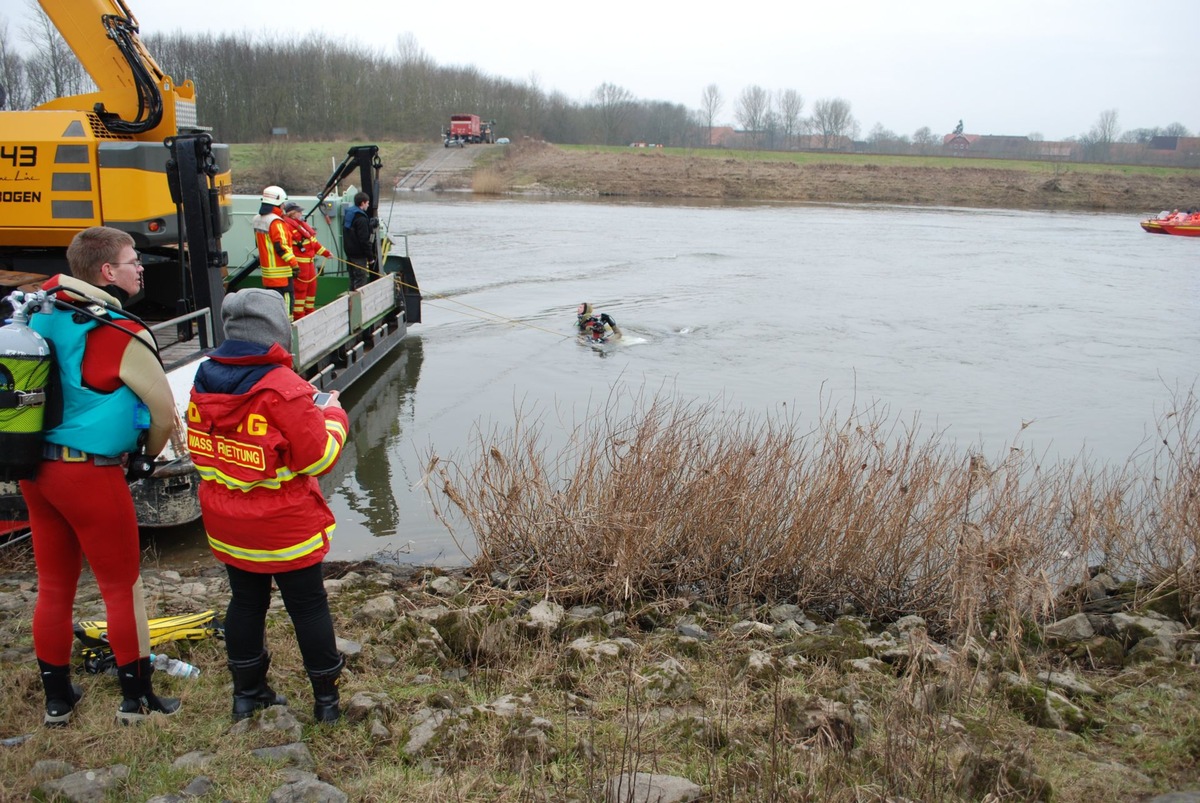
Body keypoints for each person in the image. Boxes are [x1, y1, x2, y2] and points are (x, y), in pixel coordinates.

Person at [19, 226, 180, 726]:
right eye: (134, 261)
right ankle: (137, 700)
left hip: (34, 469)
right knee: (120, 586)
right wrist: (146, 458)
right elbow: (161, 411)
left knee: (53, 585)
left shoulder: (35, 318)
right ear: (107, 271)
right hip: (88, 474)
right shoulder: (118, 331)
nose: (140, 269)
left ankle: (58, 700)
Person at [188, 288, 350, 723]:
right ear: (277, 331)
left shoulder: (202, 379)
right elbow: (319, 458)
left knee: (245, 602)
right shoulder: (285, 388)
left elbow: (203, 450)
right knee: (309, 606)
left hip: (228, 524)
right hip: (284, 529)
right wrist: (333, 415)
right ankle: (327, 703)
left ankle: (248, 694)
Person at [252, 186, 299, 318]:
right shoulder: (276, 222)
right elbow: (282, 247)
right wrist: (294, 264)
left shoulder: (258, 220)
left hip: (268, 272)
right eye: (283, 203)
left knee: (272, 304)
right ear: (278, 202)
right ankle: (288, 329)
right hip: (281, 272)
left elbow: (259, 244)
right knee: (286, 303)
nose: (284, 206)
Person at [281, 201, 333, 320]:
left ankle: (309, 312)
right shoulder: (288, 226)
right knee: (300, 290)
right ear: (292, 213)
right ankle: (299, 316)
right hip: (300, 263)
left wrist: (326, 253)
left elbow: (312, 243)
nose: (301, 213)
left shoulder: (300, 225)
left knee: (312, 287)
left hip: (309, 263)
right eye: (299, 211)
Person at [343, 191, 373, 291]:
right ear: (363, 203)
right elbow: (364, 240)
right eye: (367, 203)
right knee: (360, 280)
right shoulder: (361, 219)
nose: (368, 206)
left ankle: (350, 298)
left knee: (352, 279)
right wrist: (370, 257)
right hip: (359, 255)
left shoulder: (349, 215)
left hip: (349, 253)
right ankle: (358, 303)